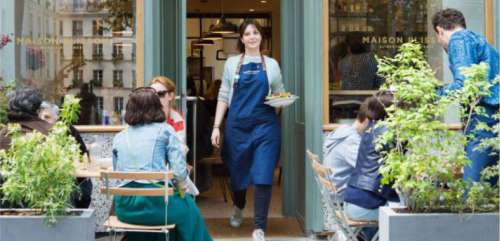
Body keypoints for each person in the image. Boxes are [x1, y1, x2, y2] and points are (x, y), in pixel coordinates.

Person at [210, 19, 285, 241]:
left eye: (256, 33)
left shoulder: (271, 64)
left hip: (265, 126)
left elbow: (279, 93)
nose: (252, 36)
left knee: (263, 175)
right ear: (241, 39)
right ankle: (239, 205)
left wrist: (282, 101)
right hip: (237, 126)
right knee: (237, 174)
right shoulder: (232, 63)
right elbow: (224, 95)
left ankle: (259, 226)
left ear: (261, 36)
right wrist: (216, 126)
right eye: (248, 34)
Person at [112, 87, 212, 241]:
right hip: (157, 207)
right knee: (188, 206)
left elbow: (118, 174)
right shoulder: (165, 130)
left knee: (173, 206)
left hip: (125, 209)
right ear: (156, 107)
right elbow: (179, 173)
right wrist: (181, 188)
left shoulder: (119, 137)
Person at [432, 8, 499, 182]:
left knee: (474, 188)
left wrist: (431, 95)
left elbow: (464, 85)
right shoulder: (480, 41)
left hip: (484, 116)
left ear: (440, 30)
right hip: (494, 118)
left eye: (438, 38)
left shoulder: (459, 40)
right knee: (490, 185)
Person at [343, 93, 398, 241]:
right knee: (406, 213)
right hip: (364, 207)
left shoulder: (370, 130)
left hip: (351, 201)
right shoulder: (389, 134)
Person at [39, 101, 93, 208]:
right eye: (40, 118)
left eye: (47, 117)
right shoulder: (37, 134)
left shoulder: (68, 131)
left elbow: (84, 157)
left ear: (57, 118)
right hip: (49, 185)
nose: (43, 121)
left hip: (75, 182)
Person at [323, 98, 369, 202]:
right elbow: (367, 168)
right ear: (367, 121)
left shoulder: (343, 131)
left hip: (334, 195)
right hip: (342, 199)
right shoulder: (351, 141)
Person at [150, 76, 186, 143]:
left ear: (170, 96)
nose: (155, 98)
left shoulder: (177, 119)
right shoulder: (144, 116)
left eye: (160, 94)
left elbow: (180, 147)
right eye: (152, 94)